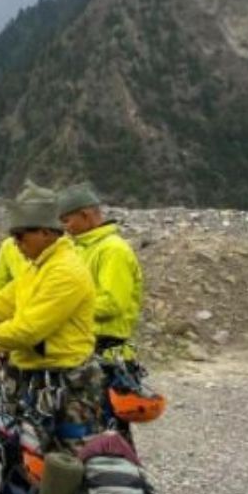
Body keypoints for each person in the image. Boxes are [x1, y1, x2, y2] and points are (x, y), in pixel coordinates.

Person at [0, 183, 100, 456]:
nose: (16, 245)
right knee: (23, 456)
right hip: (31, 377)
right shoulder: (38, 267)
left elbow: (27, 331)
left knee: (66, 462)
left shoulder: (65, 271)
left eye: (20, 236)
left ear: (45, 232)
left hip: (64, 384)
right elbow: (1, 303)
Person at [58, 181, 145, 438]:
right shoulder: (79, 247)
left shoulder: (113, 250)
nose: (65, 228)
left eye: (67, 221)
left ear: (85, 215)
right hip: (83, 350)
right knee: (84, 429)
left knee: (109, 432)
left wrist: (63, 308)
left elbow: (112, 302)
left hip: (107, 354)